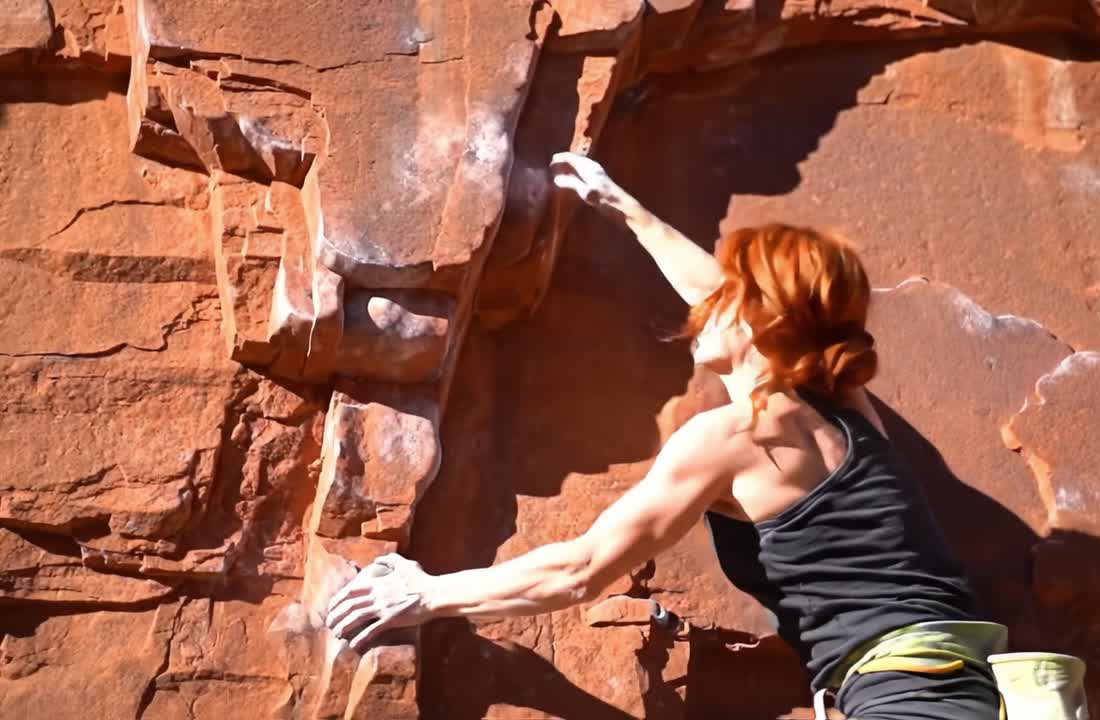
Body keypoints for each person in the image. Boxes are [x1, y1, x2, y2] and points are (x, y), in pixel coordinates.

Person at [325, 151, 1005, 719]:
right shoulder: (848, 413)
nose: (702, 305)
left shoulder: (734, 437)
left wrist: (425, 595)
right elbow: (732, 299)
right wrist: (629, 211)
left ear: (760, 317)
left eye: (728, 296)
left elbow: (582, 570)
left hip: (904, 704)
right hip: (968, 693)